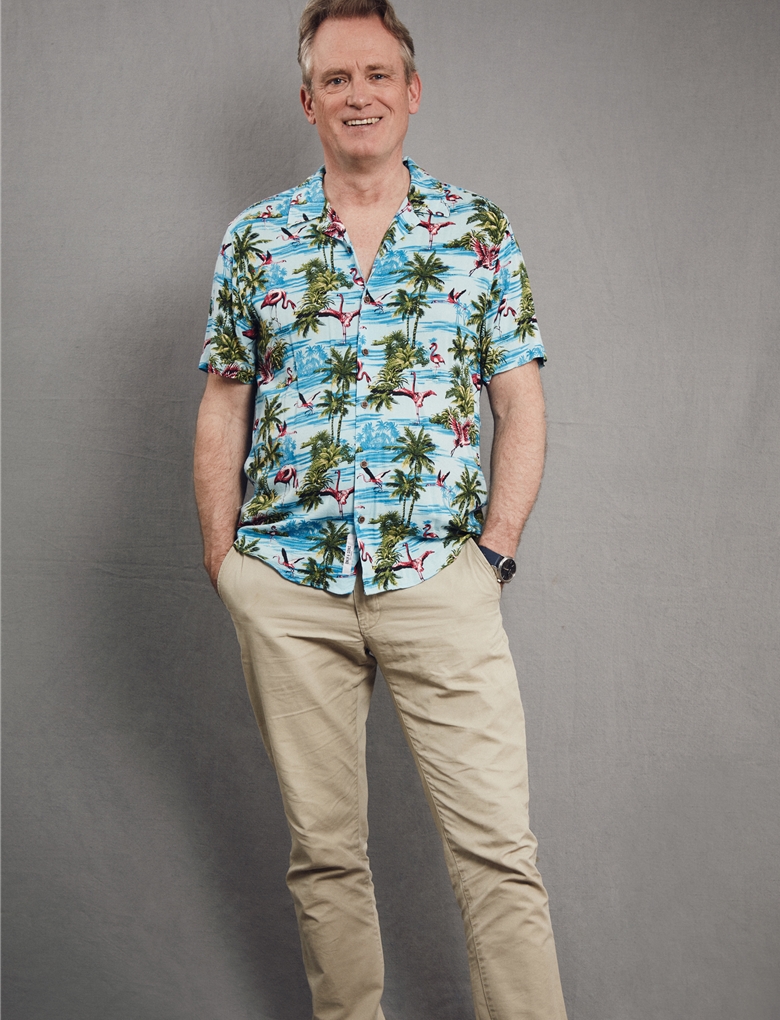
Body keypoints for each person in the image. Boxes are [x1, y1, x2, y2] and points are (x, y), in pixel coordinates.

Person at [193, 2, 567, 1017]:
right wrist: (227, 562)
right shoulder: (256, 240)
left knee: (498, 853)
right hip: (288, 585)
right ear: (307, 101)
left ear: (412, 90)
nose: (358, 95)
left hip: (438, 578)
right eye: (336, 79)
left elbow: (521, 402)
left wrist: (493, 552)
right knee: (324, 856)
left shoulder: (477, 233)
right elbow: (225, 400)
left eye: (376, 74)